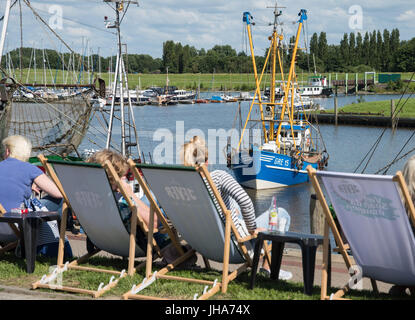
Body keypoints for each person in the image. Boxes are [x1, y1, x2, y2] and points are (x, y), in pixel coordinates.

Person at [180, 136, 292, 280]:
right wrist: (252, 230)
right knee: (281, 214)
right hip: (235, 248)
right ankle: (268, 267)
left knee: (235, 207)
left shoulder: (184, 186)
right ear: (206, 161)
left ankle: (266, 263)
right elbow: (246, 201)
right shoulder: (218, 177)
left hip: (206, 247)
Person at [0, 135, 73, 259]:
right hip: (17, 228)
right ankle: (57, 246)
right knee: (59, 201)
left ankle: (19, 246)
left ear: (8, 151)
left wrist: (28, 186)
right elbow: (59, 193)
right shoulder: (29, 169)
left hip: (2, 226)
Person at [86, 149, 171, 254]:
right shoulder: (120, 201)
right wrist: (130, 195)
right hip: (136, 243)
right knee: (163, 199)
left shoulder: (86, 195)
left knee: (156, 195)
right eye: (121, 175)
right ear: (115, 177)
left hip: (101, 239)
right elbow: (154, 223)